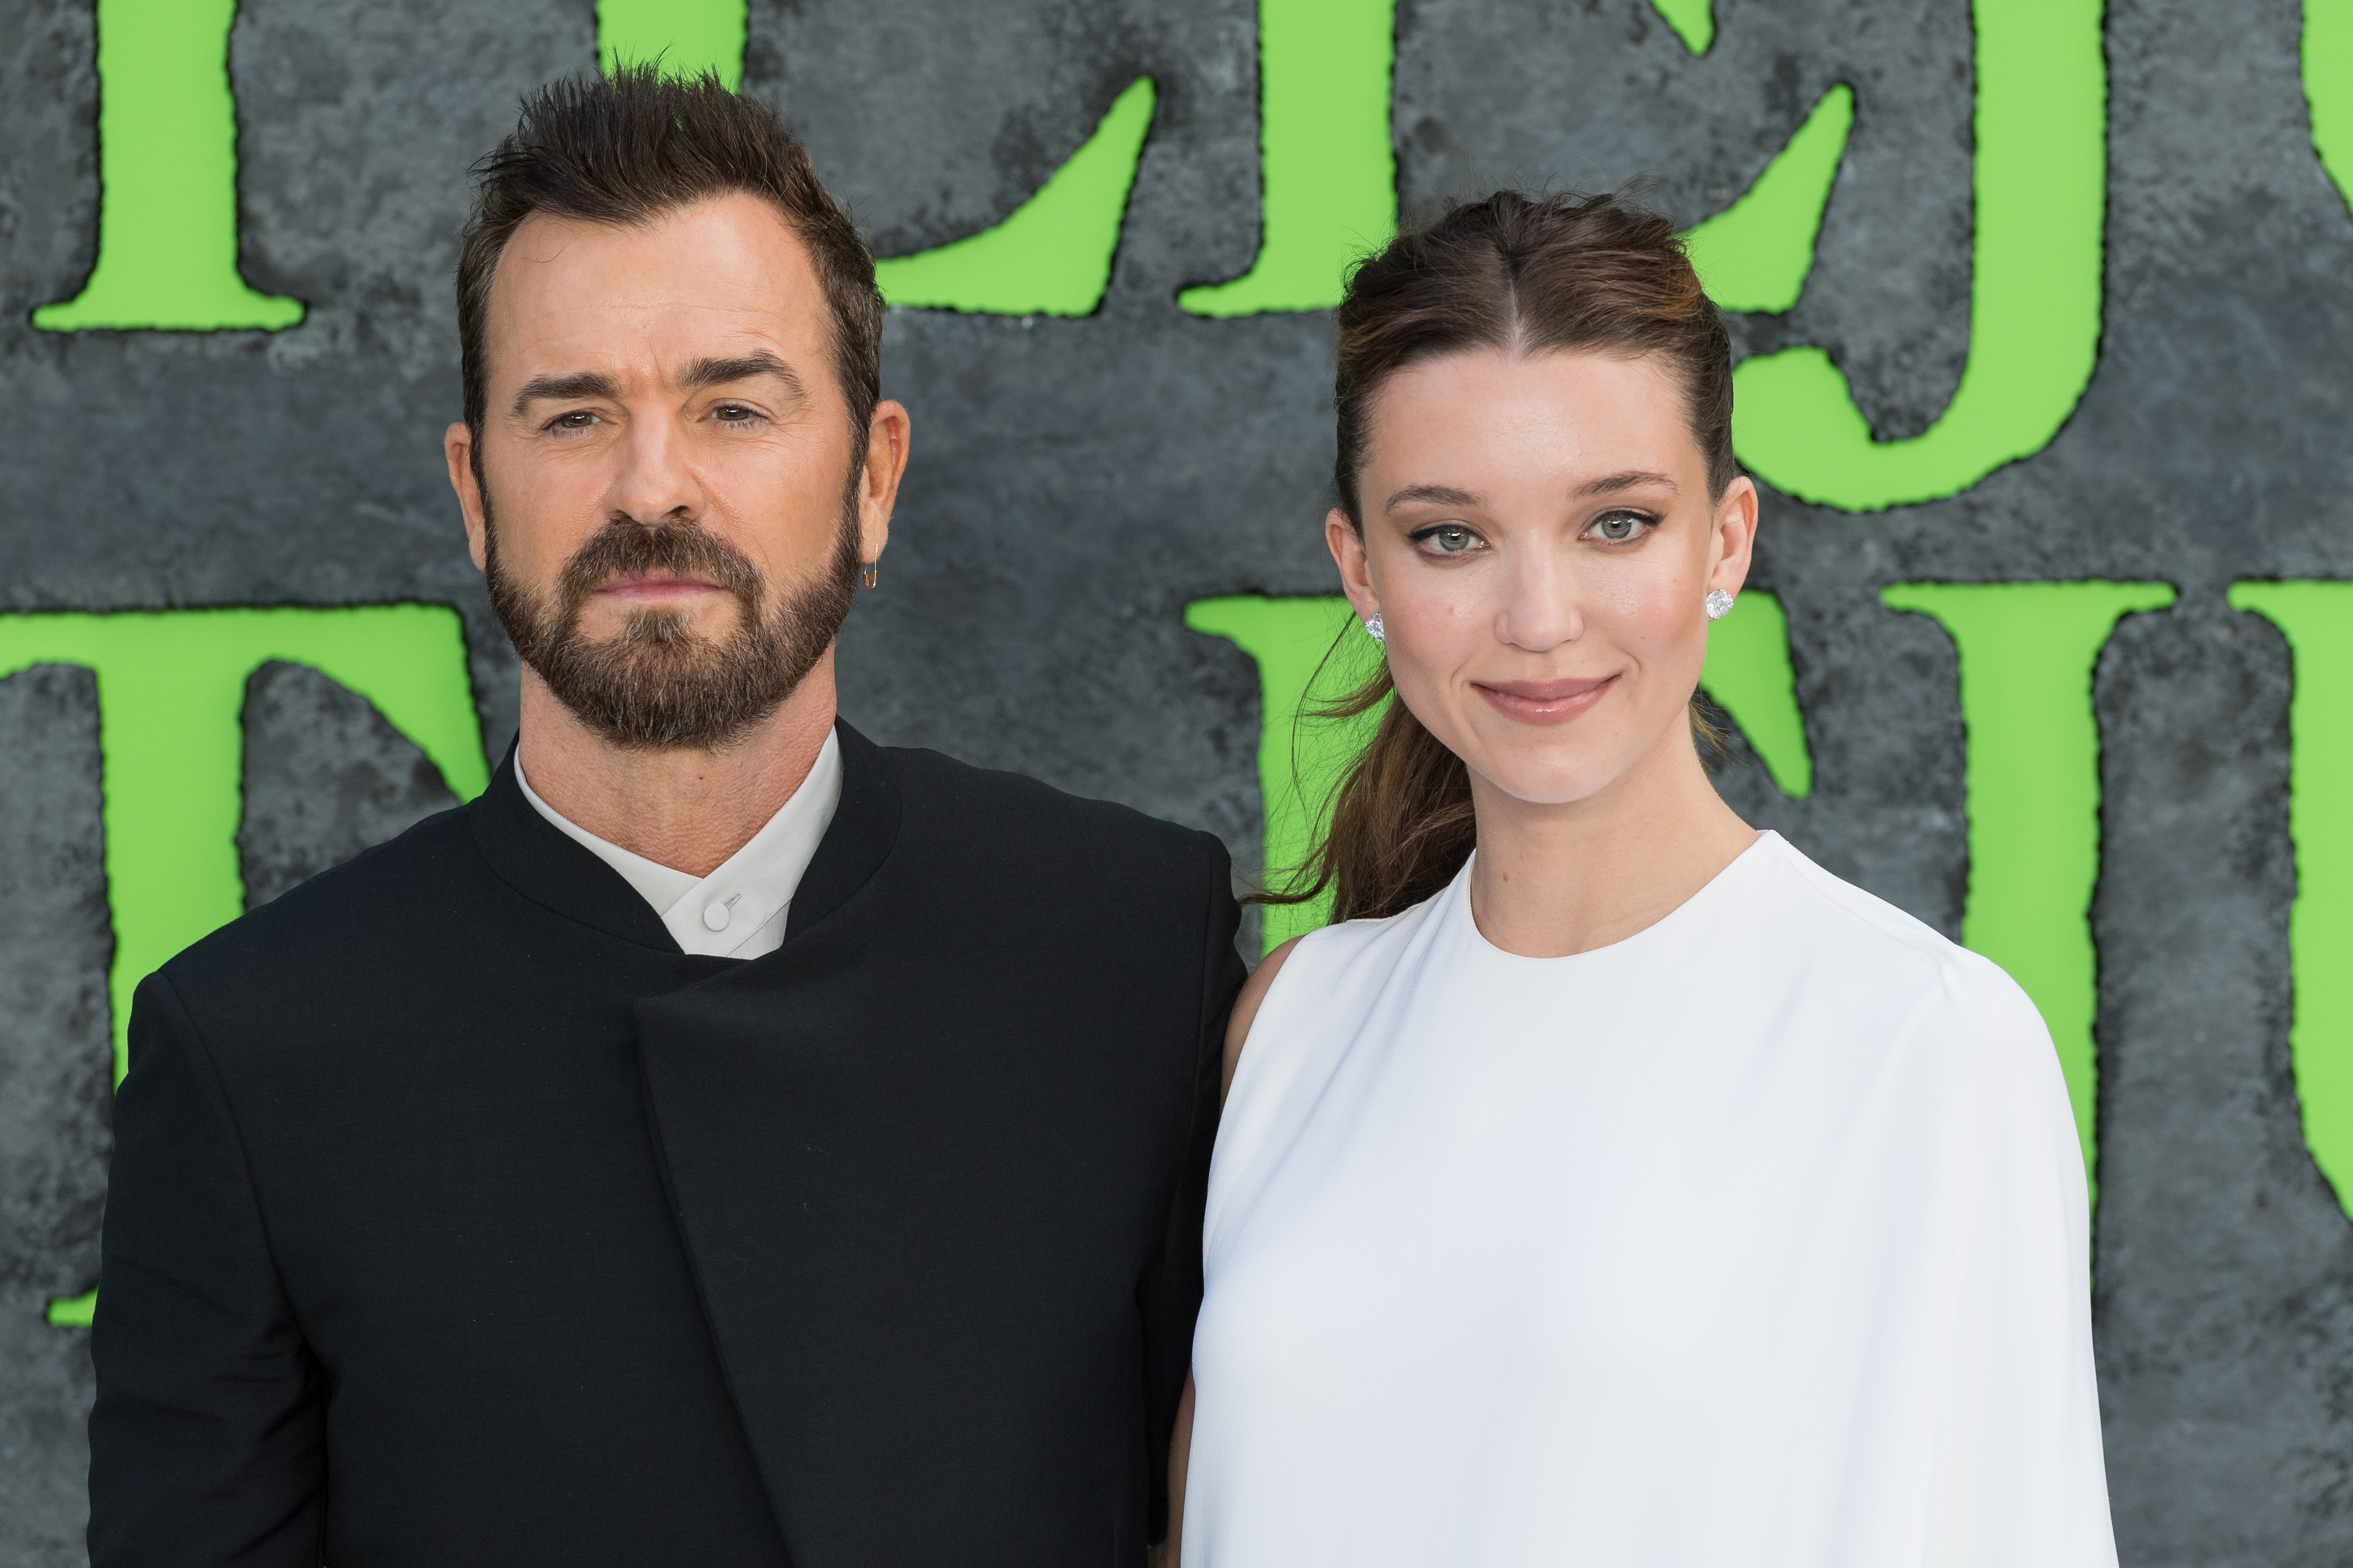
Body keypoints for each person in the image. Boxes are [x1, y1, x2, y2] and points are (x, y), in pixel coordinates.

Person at [87, 69, 1241, 1567]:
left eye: (733, 405)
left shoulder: (1124, 947)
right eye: (573, 415)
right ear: (475, 494)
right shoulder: (253, 1052)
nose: (654, 488)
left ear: (874, 477)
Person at [1161, 192, 2116, 1566]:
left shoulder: (1922, 1042)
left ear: (1725, 540)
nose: (1541, 618)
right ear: (1358, 567)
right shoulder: (1299, 1023)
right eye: (1449, 536)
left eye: (1615, 523)